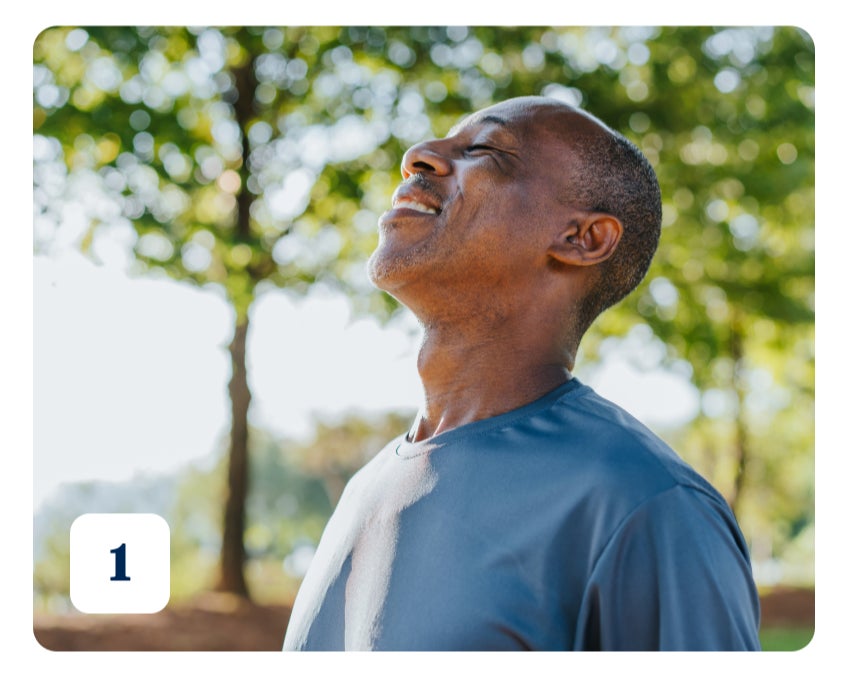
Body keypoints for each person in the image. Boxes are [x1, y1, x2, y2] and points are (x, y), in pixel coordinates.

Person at [282, 95, 761, 651]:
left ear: (582, 239)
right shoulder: (364, 491)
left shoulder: (645, 506)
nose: (417, 156)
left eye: (483, 150)